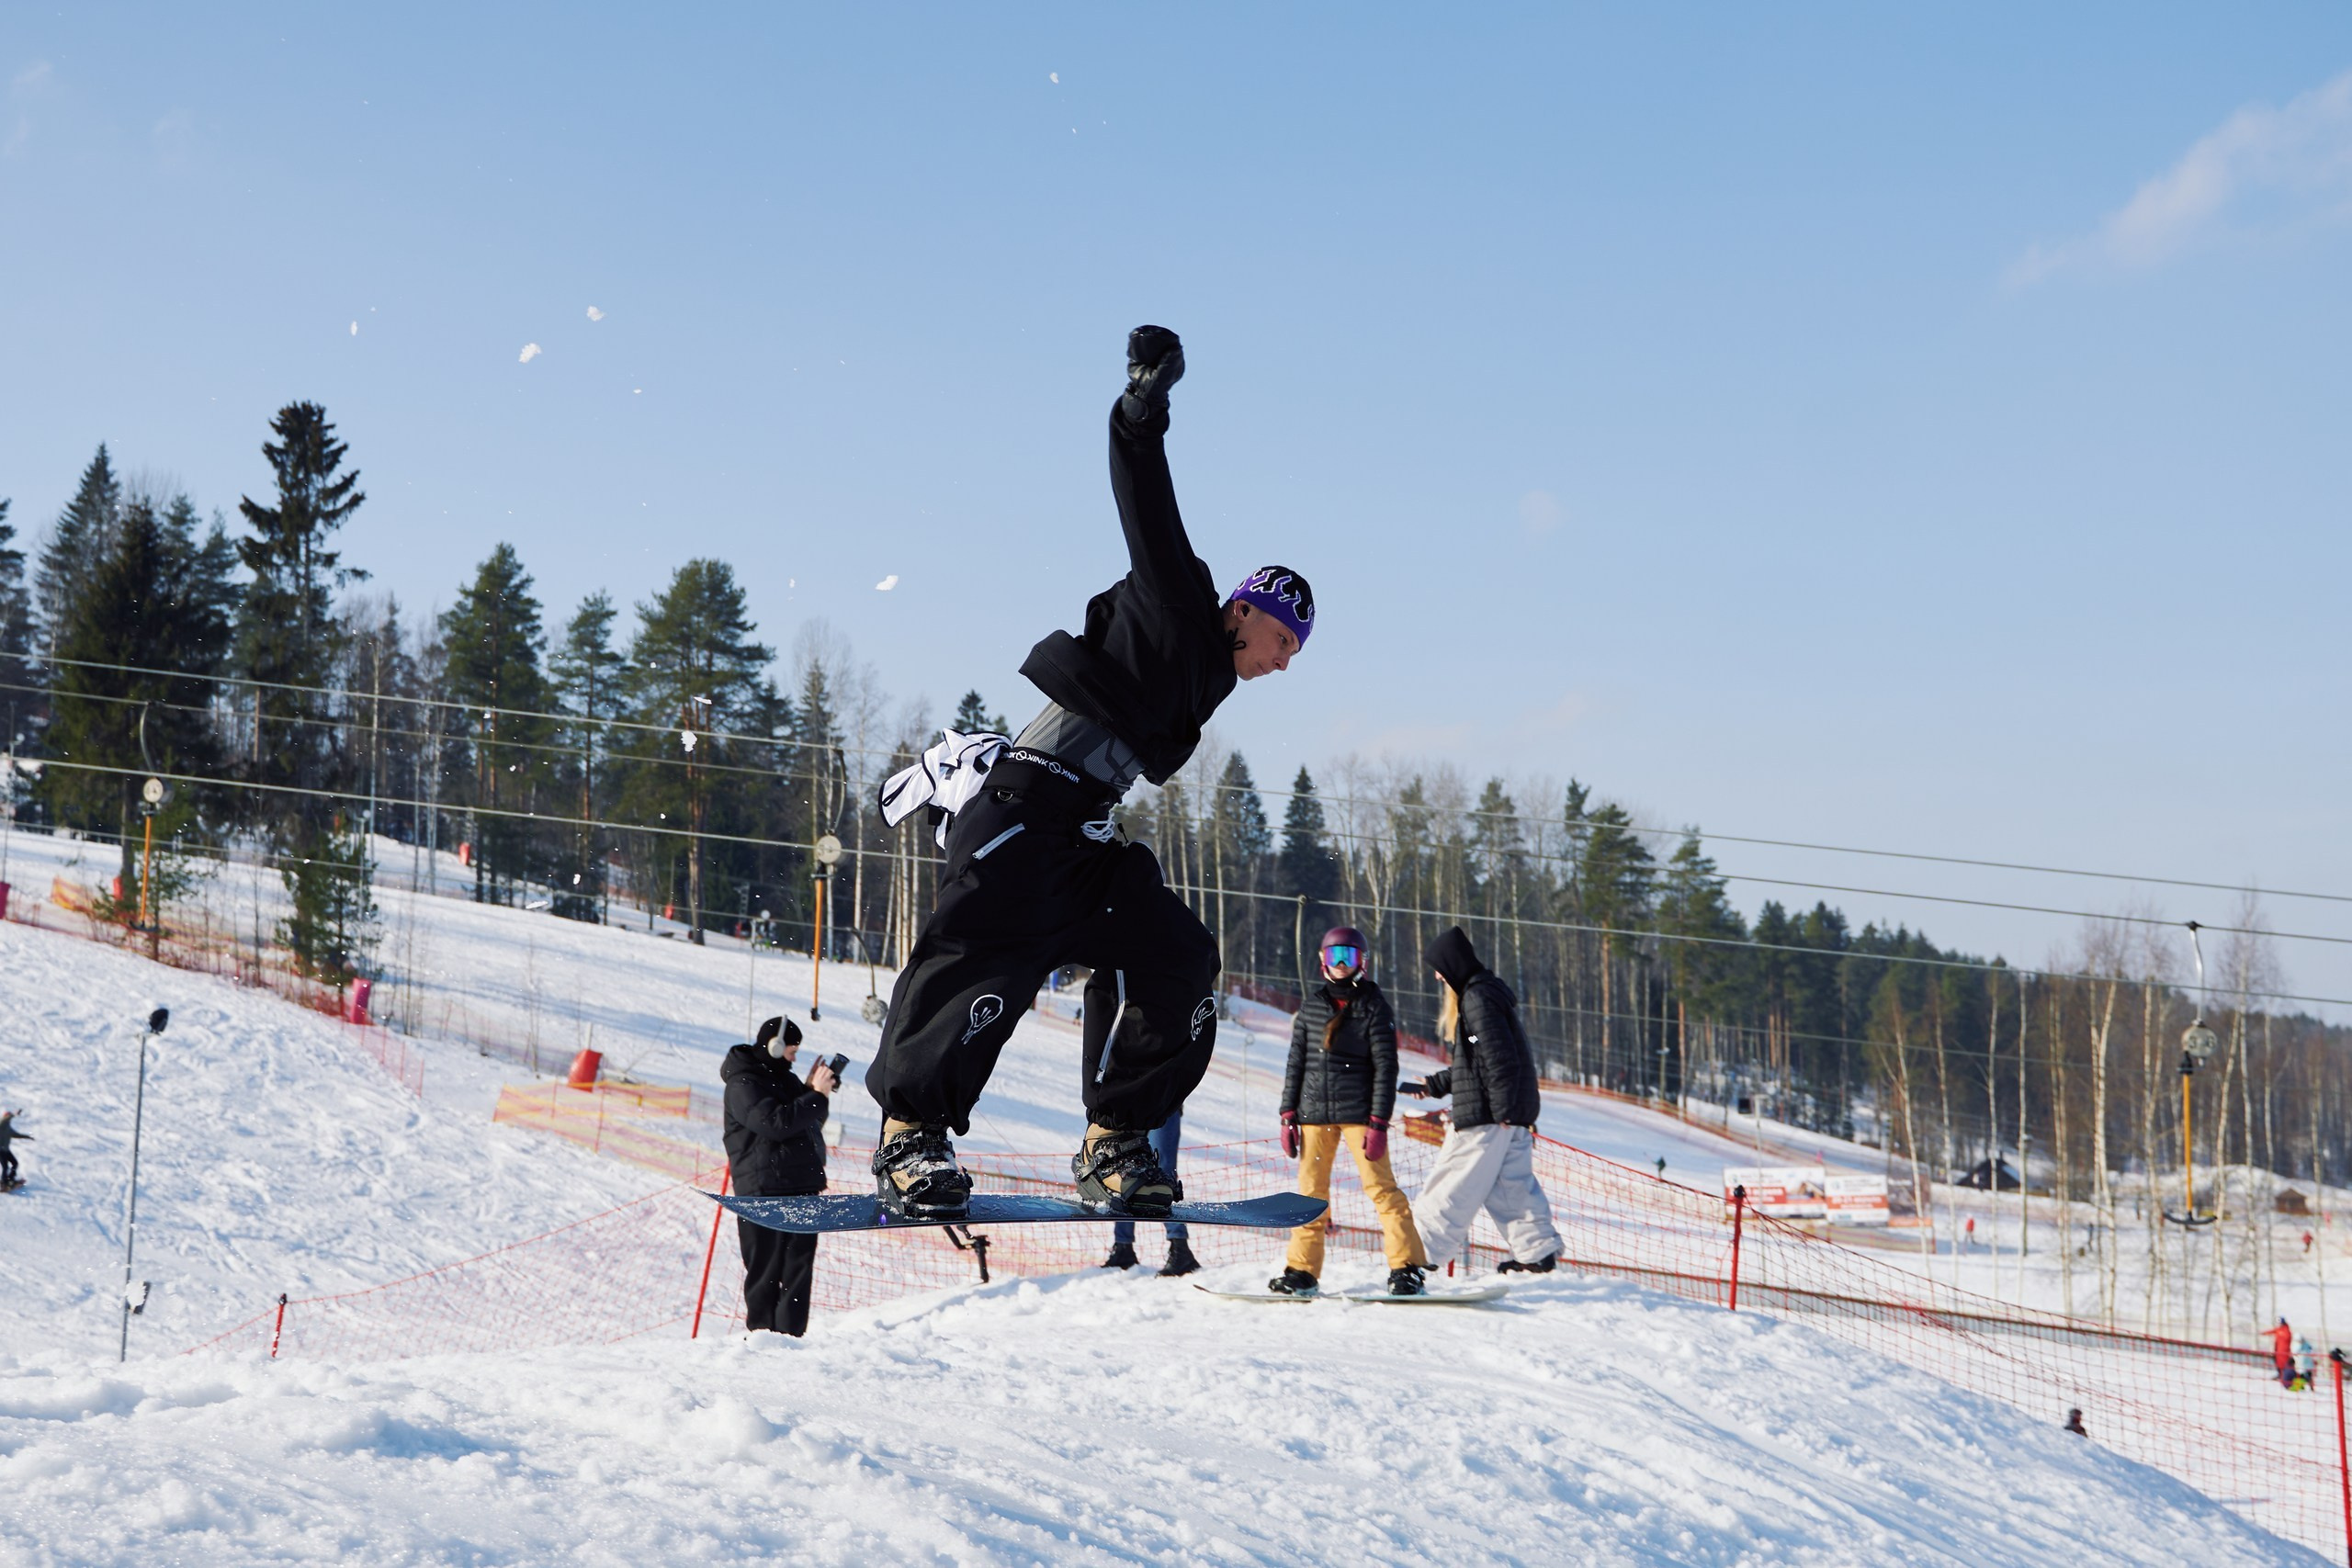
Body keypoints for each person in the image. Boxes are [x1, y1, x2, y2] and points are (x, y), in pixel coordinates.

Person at [864, 325, 1314, 1222]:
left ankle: (1114, 1142)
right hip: (1022, 808)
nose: (1282, 661)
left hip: (1085, 838)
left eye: (1294, 653)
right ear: (1243, 609)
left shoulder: (1212, 675)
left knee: (1178, 955)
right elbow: (1145, 496)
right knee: (979, 964)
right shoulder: (1178, 596)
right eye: (1281, 639)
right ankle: (910, 1136)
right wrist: (1142, 407)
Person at [1268, 926, 1429, 1297]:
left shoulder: (1375, 1007)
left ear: (1363, 962)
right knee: (1310, 1195)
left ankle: (1406, 1268)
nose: (1341, 963)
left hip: (1360, 1114)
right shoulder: (1311, 1007)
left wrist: (1379, 1122)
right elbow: (1296, 1063)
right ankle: (1302, 1271)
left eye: (1349, 956)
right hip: (1313, 1113)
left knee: (1381, 1189)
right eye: (1334, 955)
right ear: (1322, 960)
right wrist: (1288, 1113)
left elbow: (1386, 1068)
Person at [1405, 926, 1563, 1273]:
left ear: (1452, 964)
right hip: (1511, 1113)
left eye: (1439, 969)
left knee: (1450, 1185)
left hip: (1489, 1116)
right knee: (1511, 1187)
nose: (1437, 977)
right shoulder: (1486, 995)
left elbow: (1499, 1057)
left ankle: (1419, 1256)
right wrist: (1434, 1085)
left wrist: (1500, 1109)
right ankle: (1537, 1254)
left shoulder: (1476, 999)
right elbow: (1478, 1059)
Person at [722, 1016, 838, 1337]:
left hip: (801, 1186)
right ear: (774, 1046)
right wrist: (815, 1096)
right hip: (763, 1192)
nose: (794, 1058)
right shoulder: (743, 1083)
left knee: (798, 1271)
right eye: (791, 1051)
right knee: (765, 1271)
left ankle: (791, 1340)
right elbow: (775, 1123)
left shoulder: (785, 1079)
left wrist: (814, 1092)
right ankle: (762, 1339)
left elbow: (807, 1122)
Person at [1101, 1108, 1201, 1276]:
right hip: (1130, 1109)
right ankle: (1123, 1248)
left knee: (1163, 1172)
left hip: (1164, 1107)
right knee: (1125, 1174)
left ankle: (1180, 1249)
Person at [0, 1109, 28, 1189]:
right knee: (5, 1167)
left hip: (6, 1150)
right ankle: (3, 1183)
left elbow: (16, 1135)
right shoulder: (1, 1125)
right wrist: (14, 1114)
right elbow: (4, 1119)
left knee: (15, 1163)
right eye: (7, 1117)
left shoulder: (9, 1129)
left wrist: (27, 1137)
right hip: (0, 1150)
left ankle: (10, 1179)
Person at [2268, 1316, 2297, 1388]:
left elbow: (2288, 1338)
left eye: (2280, 1323)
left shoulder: (2286, 1331)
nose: (2279, 1325)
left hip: (2284, 1351)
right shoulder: (2279, 1330)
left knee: (2284, 1364)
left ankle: (2284, 1377)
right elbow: (2273, 1331)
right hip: (2277, 1350)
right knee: (2278, 1363)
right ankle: (2280, 1375)